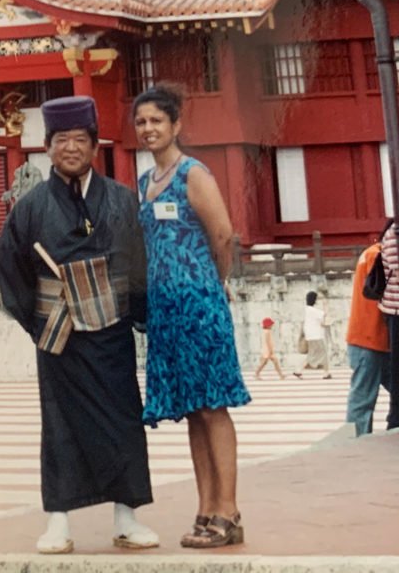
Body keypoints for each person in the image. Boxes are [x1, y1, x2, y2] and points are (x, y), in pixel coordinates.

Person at [0, 95, 157, 554]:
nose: (71, 147)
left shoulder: (121, 200)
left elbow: (139, 262)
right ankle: (58, 522)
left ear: (94, 145)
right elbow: (10, 268)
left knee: (123, 420)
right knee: (59, 426)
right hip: (59, 337)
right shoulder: (30, 208)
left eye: (80, 139)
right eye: (61, 139)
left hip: (112, 332)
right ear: (47, 147)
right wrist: (41, 323)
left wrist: (137, 312)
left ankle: (126, 518)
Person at [133, 83, 250, 549]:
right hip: (165, 311)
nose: (148, 129)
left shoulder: (193, 174)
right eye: (141, 122)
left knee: (213, 406)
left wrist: (213, 283)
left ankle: (229, 511)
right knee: (192, 412)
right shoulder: (144, 182)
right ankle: (205, 508)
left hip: (199, 305)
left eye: (156, 121)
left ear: (176, 124)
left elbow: (222, 234)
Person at [346, 236, 391, 435]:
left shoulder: (371, 253)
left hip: (373, 339)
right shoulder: (378, 256)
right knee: (362, 401)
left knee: (363, 399)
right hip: (370, 338)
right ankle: (356, 444)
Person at [378, 221, 399, 429]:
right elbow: (396, 268)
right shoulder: (393, 233)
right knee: (397, 365)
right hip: (396, 310)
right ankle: (395, 418)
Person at [293, 291, 331, 379]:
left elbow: (321, 321)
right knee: (320, 354)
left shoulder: (308, 310)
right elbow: (324, 316)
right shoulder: (313, 310)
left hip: (312, 336)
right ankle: (299, 370)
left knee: (316, 355)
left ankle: (326, 373)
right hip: (316, 336)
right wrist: (325, 304)